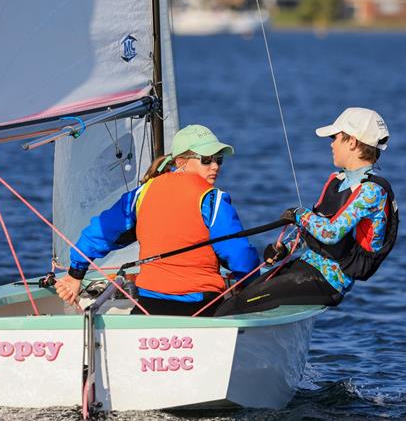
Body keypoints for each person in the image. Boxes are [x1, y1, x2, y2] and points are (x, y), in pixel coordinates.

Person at [56, 124, 260, 316]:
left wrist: (76, 274)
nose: (215, 166)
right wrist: (249, 285)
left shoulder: (142, 192)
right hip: (200, 307)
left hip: (149, 307)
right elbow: (240, 255)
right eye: (206, 159)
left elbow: (100, 232)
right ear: (181, 161)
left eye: (219, 159)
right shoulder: (212, 199)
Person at [215, 107, 399, 316]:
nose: (331, 144)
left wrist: (299, 213)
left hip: (329, 281)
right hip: (307, 267)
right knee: (240, 289)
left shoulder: (372, 192)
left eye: (335, 138)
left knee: (238, 304)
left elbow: (330, 233)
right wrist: (284, 248)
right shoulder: (337, 180)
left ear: (352, 142)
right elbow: (313, 229)